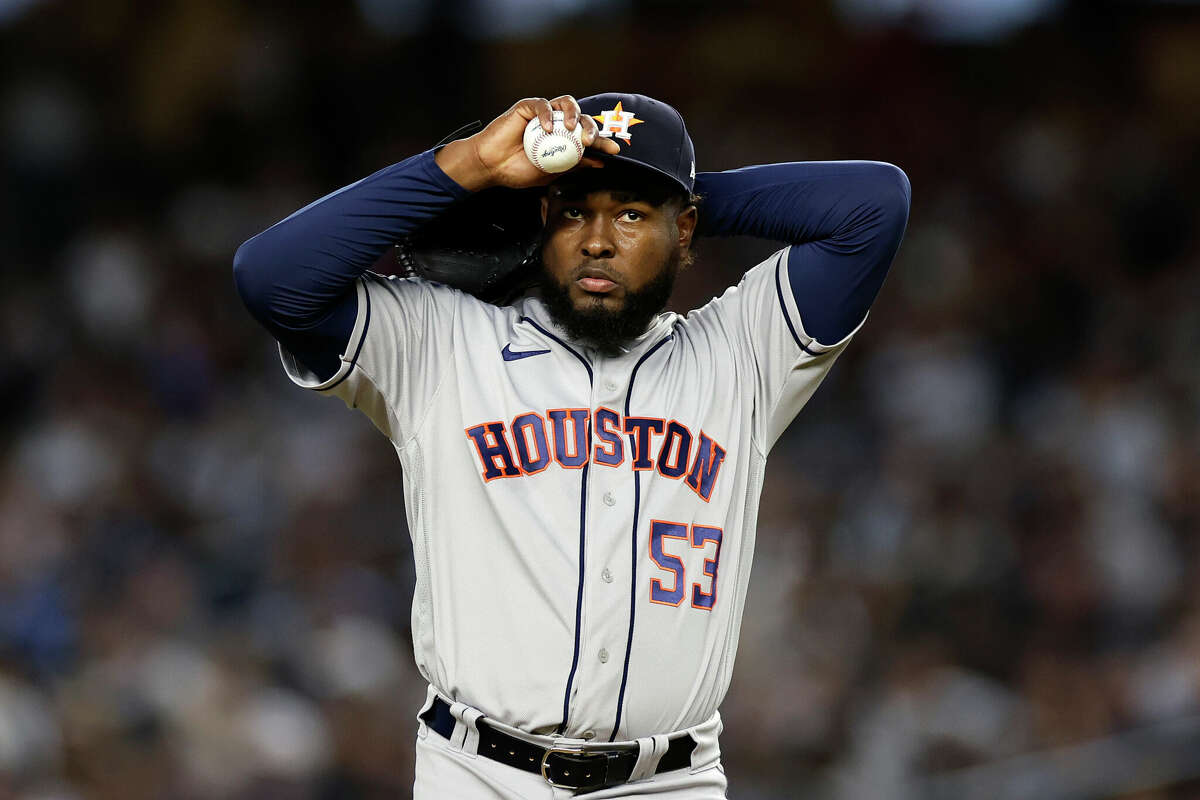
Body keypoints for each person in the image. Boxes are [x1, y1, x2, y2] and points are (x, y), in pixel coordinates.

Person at [233, 92, 910, 798]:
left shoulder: (740, 355)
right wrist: (472, 168)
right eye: (573, 209)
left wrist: (678, 186)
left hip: (667, 784)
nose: (597, 239)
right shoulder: (442, 341)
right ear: (539, 219)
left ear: (685, 235)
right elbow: (272, 277)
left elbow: (874, 205)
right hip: (478, 774)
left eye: (629, 215)